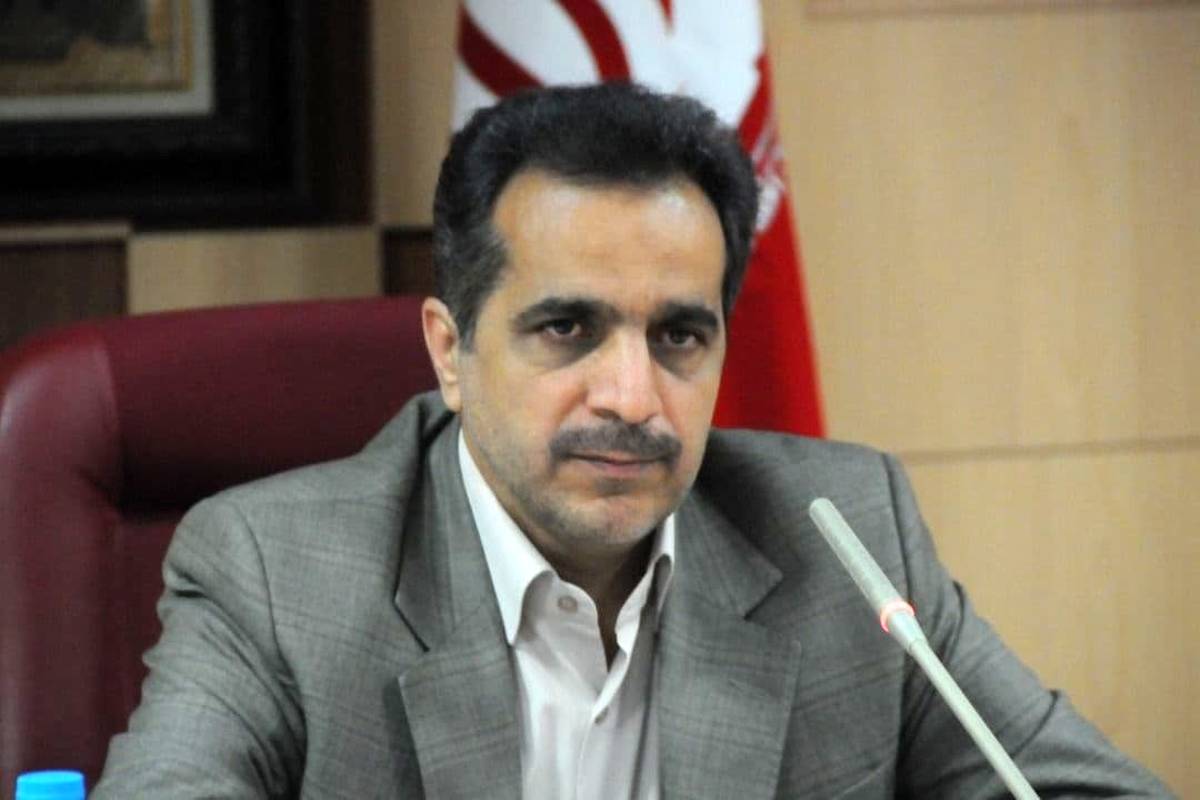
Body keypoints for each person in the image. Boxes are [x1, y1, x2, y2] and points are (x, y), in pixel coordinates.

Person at [93, 83, 1171, 799]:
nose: (632, 396)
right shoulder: (276, 574)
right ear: (451, 352)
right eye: (568, 328)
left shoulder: (844, 540)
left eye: (679, 336)